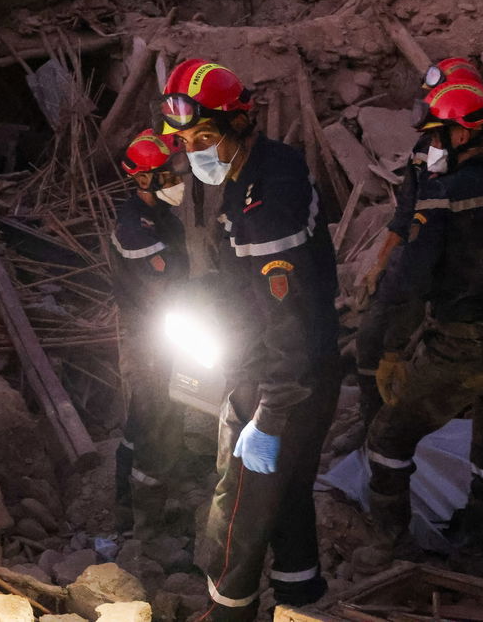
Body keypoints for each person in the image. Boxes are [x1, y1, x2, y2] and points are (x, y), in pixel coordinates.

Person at [159, 59, 340, 621]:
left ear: (241, 123)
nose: (194, 154)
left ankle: (227, 612)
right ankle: (300, 600)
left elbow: (285, 320)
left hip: (278, 380)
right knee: (287, 495)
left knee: (235, 508)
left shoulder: (265, 208)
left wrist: (269, 413)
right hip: (312, 366)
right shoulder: (268, 167)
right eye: (186, 143)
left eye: (204, 139)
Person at [364, 78, 483, 571]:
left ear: (462, 136)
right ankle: (477, 552)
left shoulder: (442, 198)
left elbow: (411, 283)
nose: (432, 146)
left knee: (388, 438)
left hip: (464, 349)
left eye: (437, 135)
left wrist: (391, 351)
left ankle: (390, 546)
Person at [341, 58, 483, 453]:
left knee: (431, 360)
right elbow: (406, 212)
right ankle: (371, 427)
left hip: (452, 267)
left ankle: (420, 439)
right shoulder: (425, 149)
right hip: (414, 253)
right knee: (372, 338)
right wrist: (379, 262)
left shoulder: (479, 164)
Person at [110, 129, 190, 536]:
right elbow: (164, 286)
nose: (176, 181)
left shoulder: (162, 217)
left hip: (161, 327)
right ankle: (142, 520)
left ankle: (137, 496)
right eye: (166, 175)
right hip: (148, 333)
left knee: (156, 411)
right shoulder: (135, 230)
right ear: (142, 180)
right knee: (153, 413)